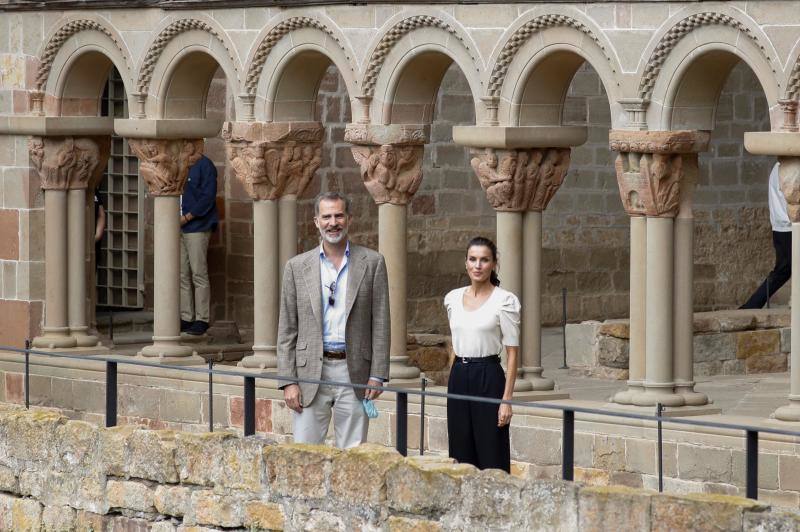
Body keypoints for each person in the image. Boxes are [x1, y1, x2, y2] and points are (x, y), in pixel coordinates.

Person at [277, 191, 390, 448]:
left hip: (355, 371)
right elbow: (287, 328)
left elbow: (381, 323)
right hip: (310, 373)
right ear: (316, 221)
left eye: (339, 215)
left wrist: (378, 374)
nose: (333, 222)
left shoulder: (372, 263)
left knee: (353, 454)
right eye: (326, 216)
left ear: (349, 219)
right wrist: (288, 381)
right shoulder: (297, 267)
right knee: (305, 453)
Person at [444, 236, 520, 472]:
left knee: (491, 449)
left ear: (494, 264)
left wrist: (506, 401)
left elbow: (512, 353)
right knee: (460, 449)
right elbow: (456, 343)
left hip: (488, 375)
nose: (478, 265)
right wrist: (453, 375)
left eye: (484, 260)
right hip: (458, 377)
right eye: (473, 259)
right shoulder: (452, 298)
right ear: (465, 262)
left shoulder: (504, 301)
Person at [741, 162, 791, 309]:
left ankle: (751, 306)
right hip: (790, 227)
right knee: (783, 270)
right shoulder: (786, 167)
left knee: (783, 270)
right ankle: (751, 306)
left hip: (781, 228)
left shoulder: (778, 167)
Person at [180, 153, 219, 335]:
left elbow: (208, 197)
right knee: (182, 274)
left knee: (198, 273)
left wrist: (187, 217)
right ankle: (186, 317)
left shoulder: (205, 164)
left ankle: (201, 319)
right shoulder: (178, 160)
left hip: (197, 225)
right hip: (177, 226)